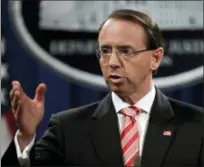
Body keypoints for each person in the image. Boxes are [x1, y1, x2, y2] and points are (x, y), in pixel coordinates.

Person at [2, 9, 204, 167]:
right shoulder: (68, 128)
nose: (112, 62)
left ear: (155, 58)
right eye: (105, 51)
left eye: (125, 51)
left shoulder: (196, 126)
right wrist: (26, 136)